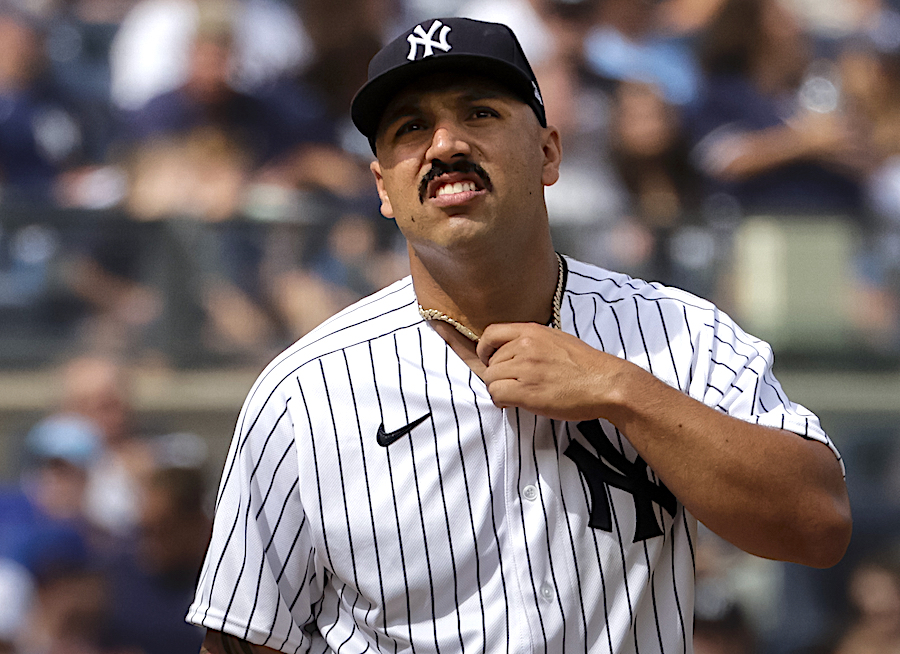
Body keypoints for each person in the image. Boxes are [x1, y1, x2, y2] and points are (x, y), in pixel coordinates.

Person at [187, 17, 851, 653]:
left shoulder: (679, 331)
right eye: (411, 127)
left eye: (479, 113)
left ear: (548, 151)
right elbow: (246, 636)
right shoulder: (305, 391)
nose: (446, 144)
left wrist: (621, 389)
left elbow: (817, 524)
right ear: (383, 187)